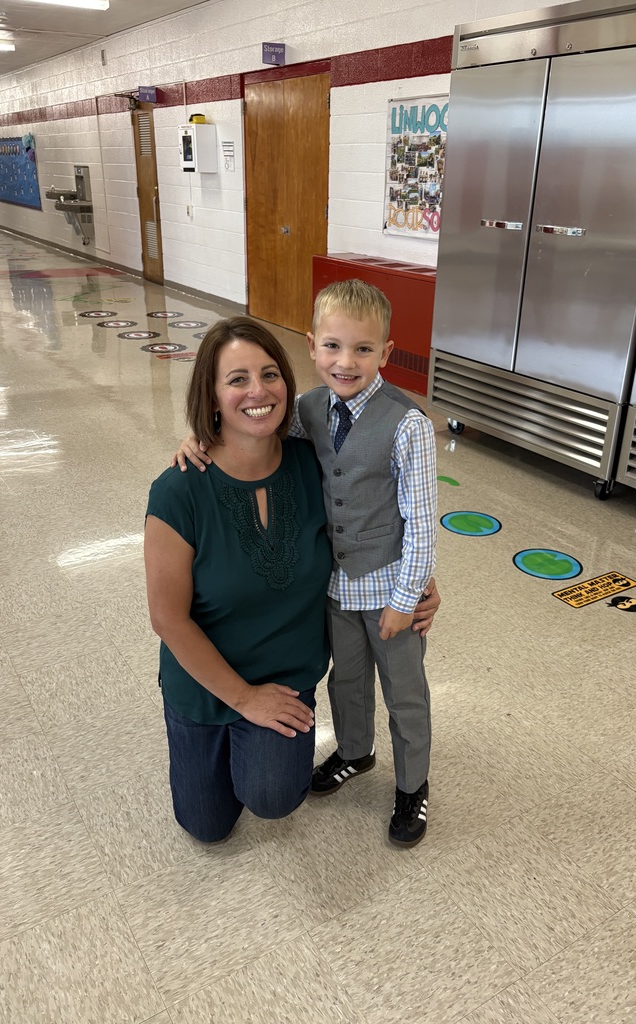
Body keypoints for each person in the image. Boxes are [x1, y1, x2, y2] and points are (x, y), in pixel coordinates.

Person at [175, 281, 438, 847]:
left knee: (405, 692)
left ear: (386, 354)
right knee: (346, 681)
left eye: (364, 350)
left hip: (390, 587)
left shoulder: (408, 425)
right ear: (313, 347)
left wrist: (405, 595)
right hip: (336, 589)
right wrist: (196, 436)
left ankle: (413, 787)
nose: (346, 362)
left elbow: (420, 524)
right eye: (333, 347)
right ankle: (354, 751)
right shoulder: (306, 410)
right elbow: (251, 430)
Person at [145, 316, 333, 842]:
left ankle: (264, 747)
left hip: (284, 674)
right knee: (206, 827)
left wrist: (417, 580)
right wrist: (243, 699)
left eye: (270, 374)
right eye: (237, 379)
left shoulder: (313, 463)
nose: (258, 391)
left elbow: (377, 520)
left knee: (272, 798)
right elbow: (167, 617)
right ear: (211, 393)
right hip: (204, 683)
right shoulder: (178, 491)